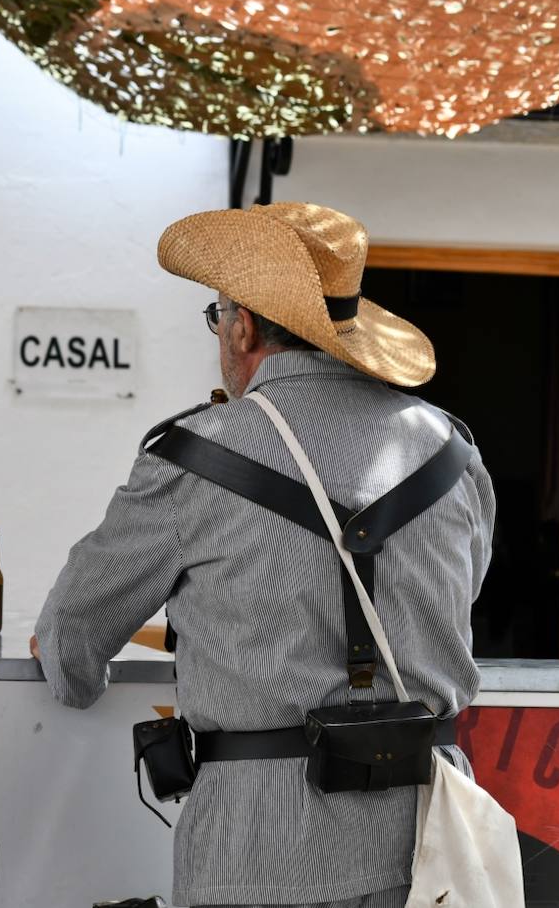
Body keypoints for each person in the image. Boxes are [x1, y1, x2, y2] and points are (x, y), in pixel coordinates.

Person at [31, 202, 496, 908]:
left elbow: (71, 642)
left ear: (242, 326)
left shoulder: (194, 457)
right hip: (431, 854)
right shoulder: (453, 452)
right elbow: (456, 596)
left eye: (220, 319)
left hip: (258, 850)